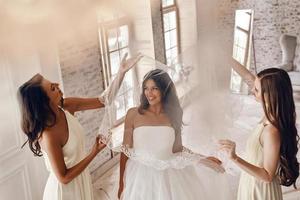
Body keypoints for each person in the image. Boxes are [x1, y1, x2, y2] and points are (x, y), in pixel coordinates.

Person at [18, 53, 142, 200]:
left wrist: (121, 72)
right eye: (52, 88)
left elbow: (104, 100)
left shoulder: (66, 106)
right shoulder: (48, 134)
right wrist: (94, 152)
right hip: (64, 192)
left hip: (81, 180)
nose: (57, 86)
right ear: (43, 102)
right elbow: (63, 177)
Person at [117, 69, 230, 200]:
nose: (149, 93)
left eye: (154, 88)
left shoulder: (174, 114)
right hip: (140, 177)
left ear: (164, 90)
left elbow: (177, 149)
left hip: (168, 177)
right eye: (146, 88)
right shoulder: (133, 114)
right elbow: (125, 152)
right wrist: (121, 183)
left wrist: (203, 158)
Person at [219, 59, 299, 200]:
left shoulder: (271, 131)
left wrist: (235, 158)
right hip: (252, 182)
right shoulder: (272, 112)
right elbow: (249, 77)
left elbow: (268, 176)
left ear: (270, 95)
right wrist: (225, 57)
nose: (252, 90)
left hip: (260, 190)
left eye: (256, 90)